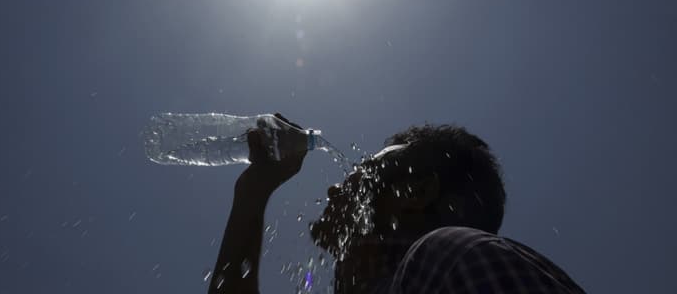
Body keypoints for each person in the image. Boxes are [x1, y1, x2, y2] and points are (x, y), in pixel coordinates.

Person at [208, 114, 586, 293]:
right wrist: (253, 192)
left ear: (417, 193)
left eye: (366, 171)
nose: (335, 191)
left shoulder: (450, 258)